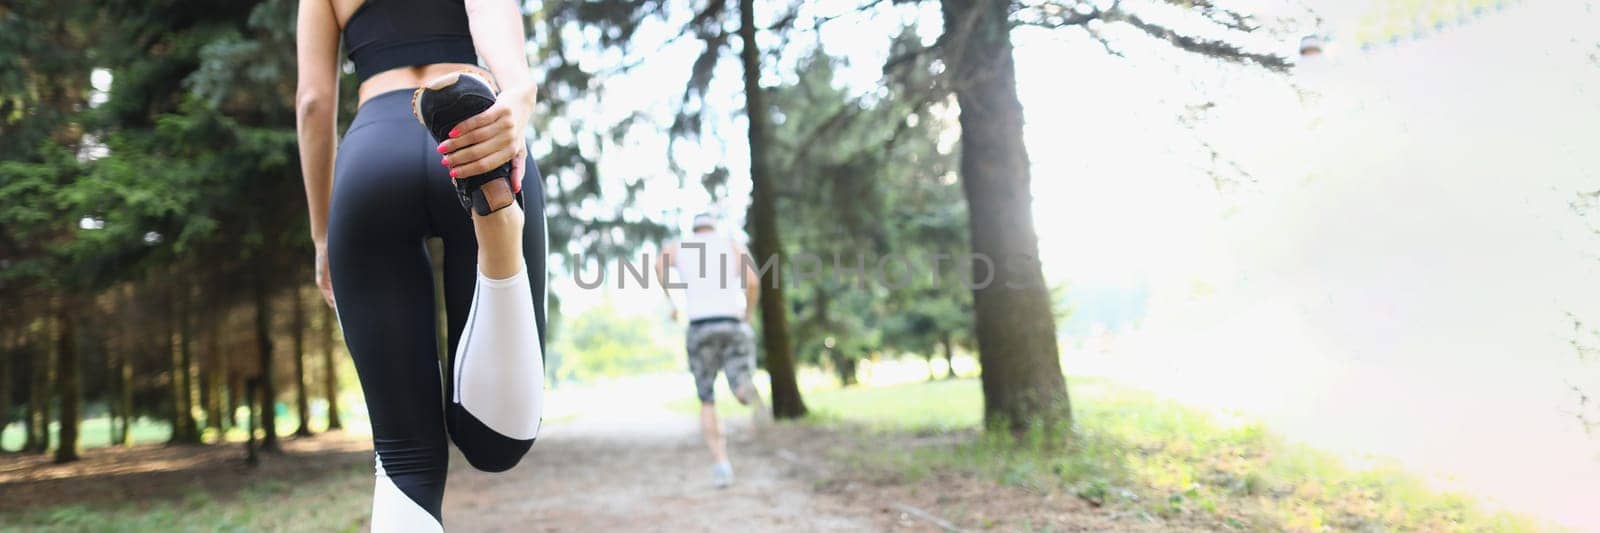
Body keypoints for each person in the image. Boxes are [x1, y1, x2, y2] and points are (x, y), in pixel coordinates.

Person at [295, 0, 546, 530]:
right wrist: (516, 98)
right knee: (497, 444)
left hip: (372, 153)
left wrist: (323, 235)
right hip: (473, 136)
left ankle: (494, 233)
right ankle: (497, 238)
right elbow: (490, 15)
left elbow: (314, 103)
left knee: (405, 458)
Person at [655, 213, 770, 488]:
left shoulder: (680, 246)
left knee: (707, 398)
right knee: (740, 383)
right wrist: (748, 314)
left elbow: (659, 266)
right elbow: (753, 282)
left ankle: (721, 464)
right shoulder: (730, 244)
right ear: (713, 227)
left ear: (695, 229)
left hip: (700, 327)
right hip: (732, 322)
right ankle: (747, 392)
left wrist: (671, 299)